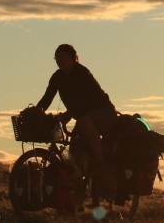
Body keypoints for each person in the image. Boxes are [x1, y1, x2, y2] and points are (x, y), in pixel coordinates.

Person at [37, 44, 117, 177]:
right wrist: (37, 111)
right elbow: (47, 97)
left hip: (104, 113)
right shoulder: (57, 76)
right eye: (56, 58)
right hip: (83, 116)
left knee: (84, 122)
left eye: (63, 57)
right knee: (74, 148)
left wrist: (68, 115)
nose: (59, 60)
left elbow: (83, 99)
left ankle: (100, 161)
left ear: (73, 58)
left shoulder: (82, 73)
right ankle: (79, 183)